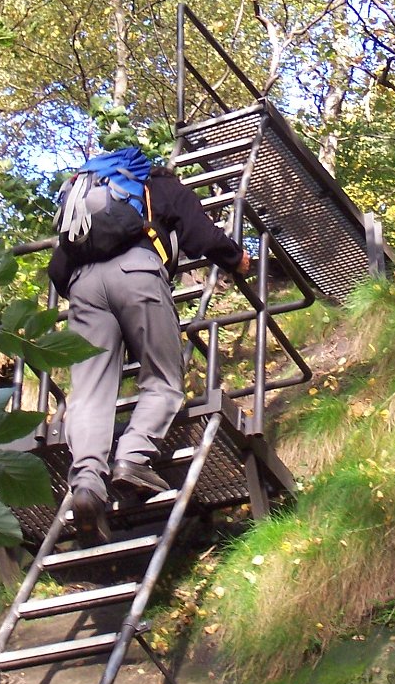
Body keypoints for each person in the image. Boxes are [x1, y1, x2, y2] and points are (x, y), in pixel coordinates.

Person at [49, 163, 250, 545]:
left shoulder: (82, 200)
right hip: (138, 272)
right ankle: (133, 457)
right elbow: (199, 233)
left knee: (90, 396)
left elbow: (57, 269)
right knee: (162, 380)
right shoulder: (157, 184)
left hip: (82, 288)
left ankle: (88, 485)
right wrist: (235, 258)